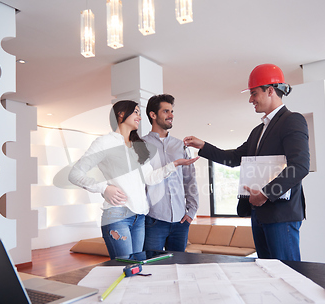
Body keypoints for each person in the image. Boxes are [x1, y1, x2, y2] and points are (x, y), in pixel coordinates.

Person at [184, 64, 309, 261]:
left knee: (287, 273)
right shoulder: (258, 132)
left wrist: (266, 194)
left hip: (280, 215)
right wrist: (203, 146)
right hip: (258, 214)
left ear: (270, 90)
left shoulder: (292, 120)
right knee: (266, 272)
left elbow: (300, 166)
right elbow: (233, 159)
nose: (250, 99)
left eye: (253, 93)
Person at [69, 100, 199, 259]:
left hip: (140, 218)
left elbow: (150, 178)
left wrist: (175, 164)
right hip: (118, 215)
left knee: (138, 269)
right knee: (124, 267)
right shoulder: (104, 142)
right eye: (136, 112)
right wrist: (104, 188)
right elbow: (75, 174)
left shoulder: (139, 146)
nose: (140, 117)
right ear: (121, 114)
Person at [142, 94, 199, 252]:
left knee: (179, 267)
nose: (171, 115)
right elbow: (141, 182)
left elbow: (190, 180)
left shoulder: (180, 146)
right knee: (153, 268)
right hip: (153, 220)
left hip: (181, 221)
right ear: (153, 115)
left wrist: (191, 211)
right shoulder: (141, 145)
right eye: (166, 111)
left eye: (172, 111)